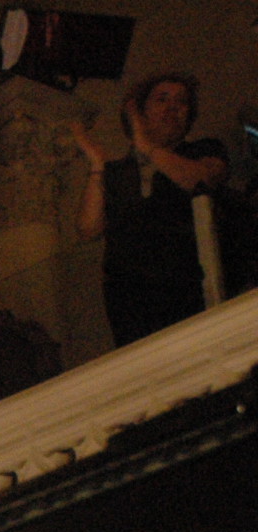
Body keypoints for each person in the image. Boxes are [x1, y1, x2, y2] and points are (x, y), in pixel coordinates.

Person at [76, 72, 230, 347]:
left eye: (182, 102)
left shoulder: (203, 150)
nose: (173, 107)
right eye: (162, 99)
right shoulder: (119, 172)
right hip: (131, 306)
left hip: (192, 291)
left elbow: (200, 180)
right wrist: (98, 164)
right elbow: (88, 229)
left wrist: (147, 147)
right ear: (139, 111)